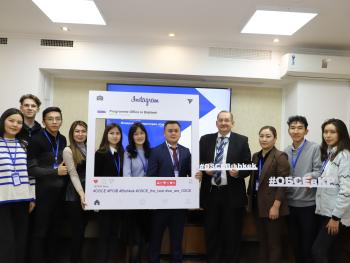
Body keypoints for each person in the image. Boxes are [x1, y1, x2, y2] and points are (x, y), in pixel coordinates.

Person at [199, 110, 251, 263]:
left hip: (232, 195)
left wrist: (239, 172)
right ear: (216, 123)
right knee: (211, 232)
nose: (223, 123)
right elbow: (197, 162)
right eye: (220, 120)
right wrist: (203, 169)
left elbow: (248, 166)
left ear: (232, 123)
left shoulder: (242, 141)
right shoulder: (205, 140)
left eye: (227, 120)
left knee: (232, 233)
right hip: (211, 193)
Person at [147, 120, 191, 263]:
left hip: (179, 205)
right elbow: (151, 177)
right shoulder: (155, 151)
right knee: (155, 240)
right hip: (160, 205)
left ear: (180, 133)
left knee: (177, 241)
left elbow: (190, 174)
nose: (173, 133)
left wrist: (198, 174)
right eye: (170, 130)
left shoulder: (186, 151)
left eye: (176, 130)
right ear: (164, 133)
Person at [28, 106, 68, 263]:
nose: (54, 122)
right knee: (39, 233)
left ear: (61, 121)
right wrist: (54, 172)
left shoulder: (63, 139)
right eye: (50, 119)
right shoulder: (35, 139)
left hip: (59, 193)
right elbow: (31, 169)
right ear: (43, 121)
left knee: (55, 231)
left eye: (58, 119)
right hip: (42, 194)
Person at [247, 126, 290, 263]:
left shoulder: (280, 156)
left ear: (275, 138)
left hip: (272, 206)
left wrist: (276, 206)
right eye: (261, 136)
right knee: (263, 242)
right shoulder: (256, 156)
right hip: (257, 205)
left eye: (268, 136)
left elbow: (283, 184)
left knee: (273, 244)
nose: (264, 139)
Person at [284, 116, 322, 263]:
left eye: (300, 128)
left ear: (306, 131)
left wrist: (310, 175)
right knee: (295, 243)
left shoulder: (314, 148)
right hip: (290, 204)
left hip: (308, 205)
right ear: (289, 131)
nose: (296, 131)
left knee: (308, 244)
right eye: (293, 128)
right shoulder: (286, 151)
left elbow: (320, 171)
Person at [312, 118, 350, 263]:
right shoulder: (330, 155)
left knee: (317, 251)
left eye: (332, 132)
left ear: (341, 134)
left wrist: (336, 217)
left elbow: (346, 190)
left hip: (333, 215)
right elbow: (331, 182)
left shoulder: (344, 155)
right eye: (325, 132)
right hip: (325, 211)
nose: (327, 135)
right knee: (334, 252)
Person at [0, 108, 35, 263]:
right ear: (3, 121)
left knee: (21, 240)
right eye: (11, 121)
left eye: (19, 122)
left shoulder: (24, 144)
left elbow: (30, 173)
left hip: (22, 199)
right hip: (2, 200)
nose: (15, 125)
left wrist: (32, 197)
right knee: (6, 241)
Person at [95, 123, 125, 263]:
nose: (115, 136)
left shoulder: (123, 153)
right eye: (111, 133)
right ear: (106, 135)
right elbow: (95, 177)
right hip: (104, 200)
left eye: (117, 133)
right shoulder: (100, 153)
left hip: (119, 200)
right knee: (104, 234)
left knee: (115, 234)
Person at [123, 122, 151, 263]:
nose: (139, 136)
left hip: (149, 201)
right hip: (133, 200)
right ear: (131, 137)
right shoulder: (128, 153)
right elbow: (126, 176)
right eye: (136, 134)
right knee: (135, 239)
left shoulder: (152, 152)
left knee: (146, 238)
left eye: (141, 133)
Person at [63, 121, 88, 263]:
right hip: (74, 195)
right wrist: (81, 194)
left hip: (87, 193)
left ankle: (79, 258)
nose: (80, 134)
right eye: (77, 131)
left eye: (83, 131)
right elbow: (73, 174)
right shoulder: (68, 150)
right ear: (72, 134)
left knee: (83, 230)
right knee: (76, 232)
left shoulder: (90, 147)